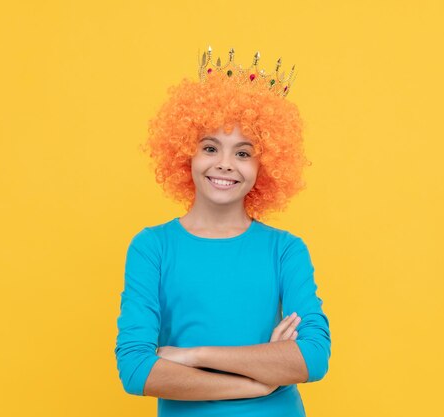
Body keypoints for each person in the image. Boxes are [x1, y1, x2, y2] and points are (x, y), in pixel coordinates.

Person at [114, 46, 331, 417]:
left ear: (265, 165)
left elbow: (311, 358)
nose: (225, 164)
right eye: (210, 147)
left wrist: (194, 355)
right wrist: (257, 382)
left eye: (244, 153)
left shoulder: (285, 251)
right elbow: (136, 370)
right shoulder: (153, 248)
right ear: (187, 154)